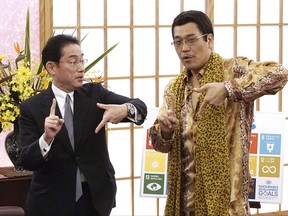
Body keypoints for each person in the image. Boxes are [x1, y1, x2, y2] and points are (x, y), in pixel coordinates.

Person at [149, 10, 288, 216]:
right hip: (185, 202)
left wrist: (228, 88)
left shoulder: (232, 70)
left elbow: (279, 74)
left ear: (209, 40)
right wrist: (165, 131)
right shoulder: (174, 88)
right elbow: (161, 145)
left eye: (191, 40)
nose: (184, 49)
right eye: (177, 42)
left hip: (227, 202)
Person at [19, 34, 147, 216]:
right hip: (51, 203)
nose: (81, 68)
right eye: (73, 62)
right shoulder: (31, 108)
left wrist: (126, 109)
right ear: (52, 67)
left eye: (82, 61)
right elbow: (25, 160)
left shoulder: (95, 94)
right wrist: (46, 138)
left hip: (94, 199)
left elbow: (140, 106)